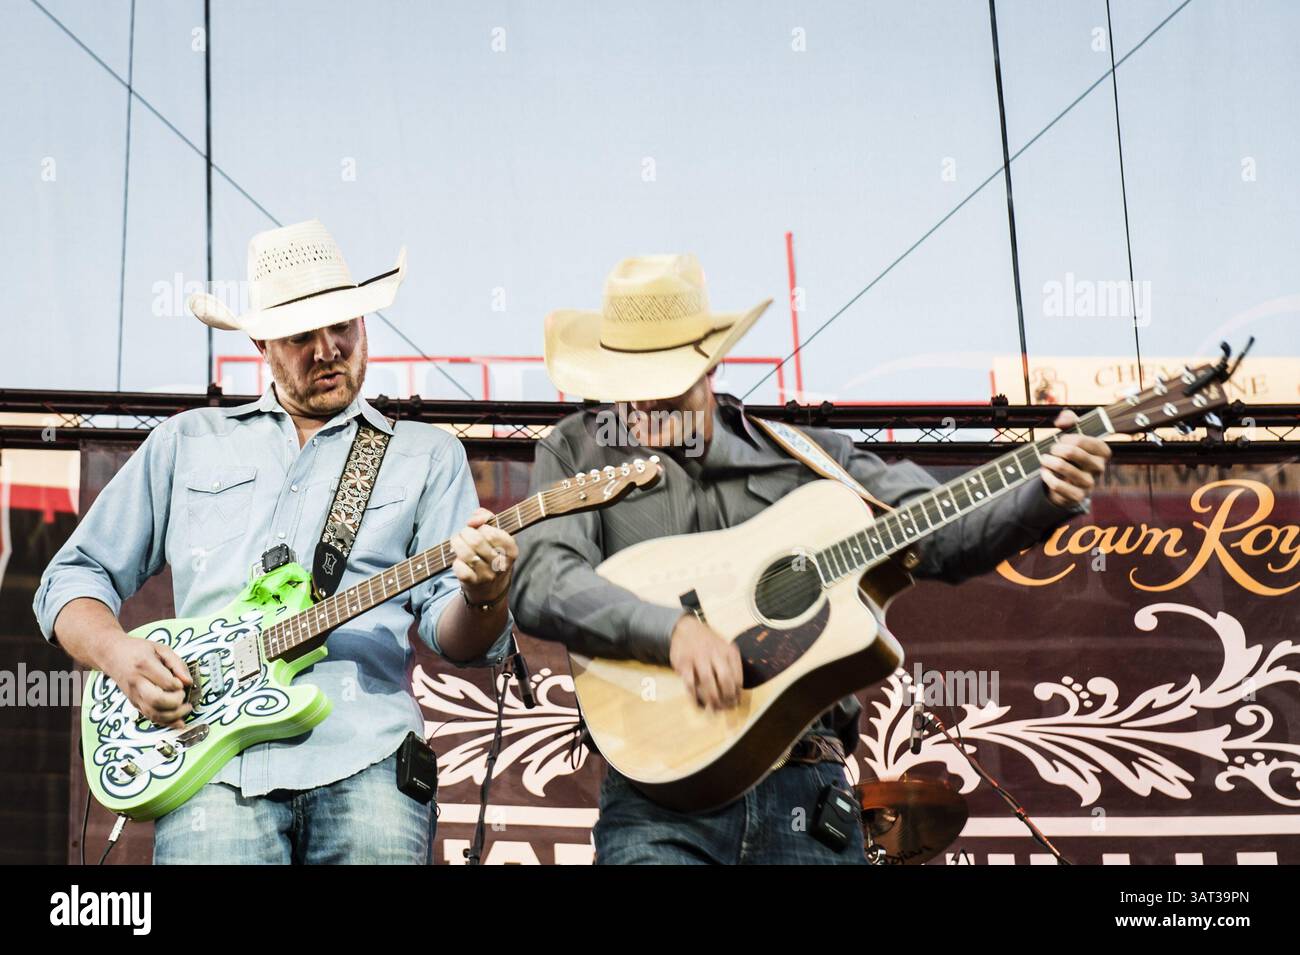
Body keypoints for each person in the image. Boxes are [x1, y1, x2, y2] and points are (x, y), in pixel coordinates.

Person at [510, 253, 1111, 864]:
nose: (640, 406)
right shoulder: (579, 448)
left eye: (659, 383)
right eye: (626, 387)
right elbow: (541, 578)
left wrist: (1045, 495)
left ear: (709, 364)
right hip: (655, 804)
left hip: (810, 797)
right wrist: (671, 633)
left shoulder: (810, 459)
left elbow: (945, 536)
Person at [35, 220, 517, 864]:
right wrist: (119, 654)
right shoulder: (187, 443)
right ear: (261, 340)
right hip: (206, 768)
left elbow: (454, 637)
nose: (327, 349)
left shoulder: (424, 456)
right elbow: (71, 578)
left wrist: (484, 596)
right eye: (301, 336)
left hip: (369, 759)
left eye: (341, 327)